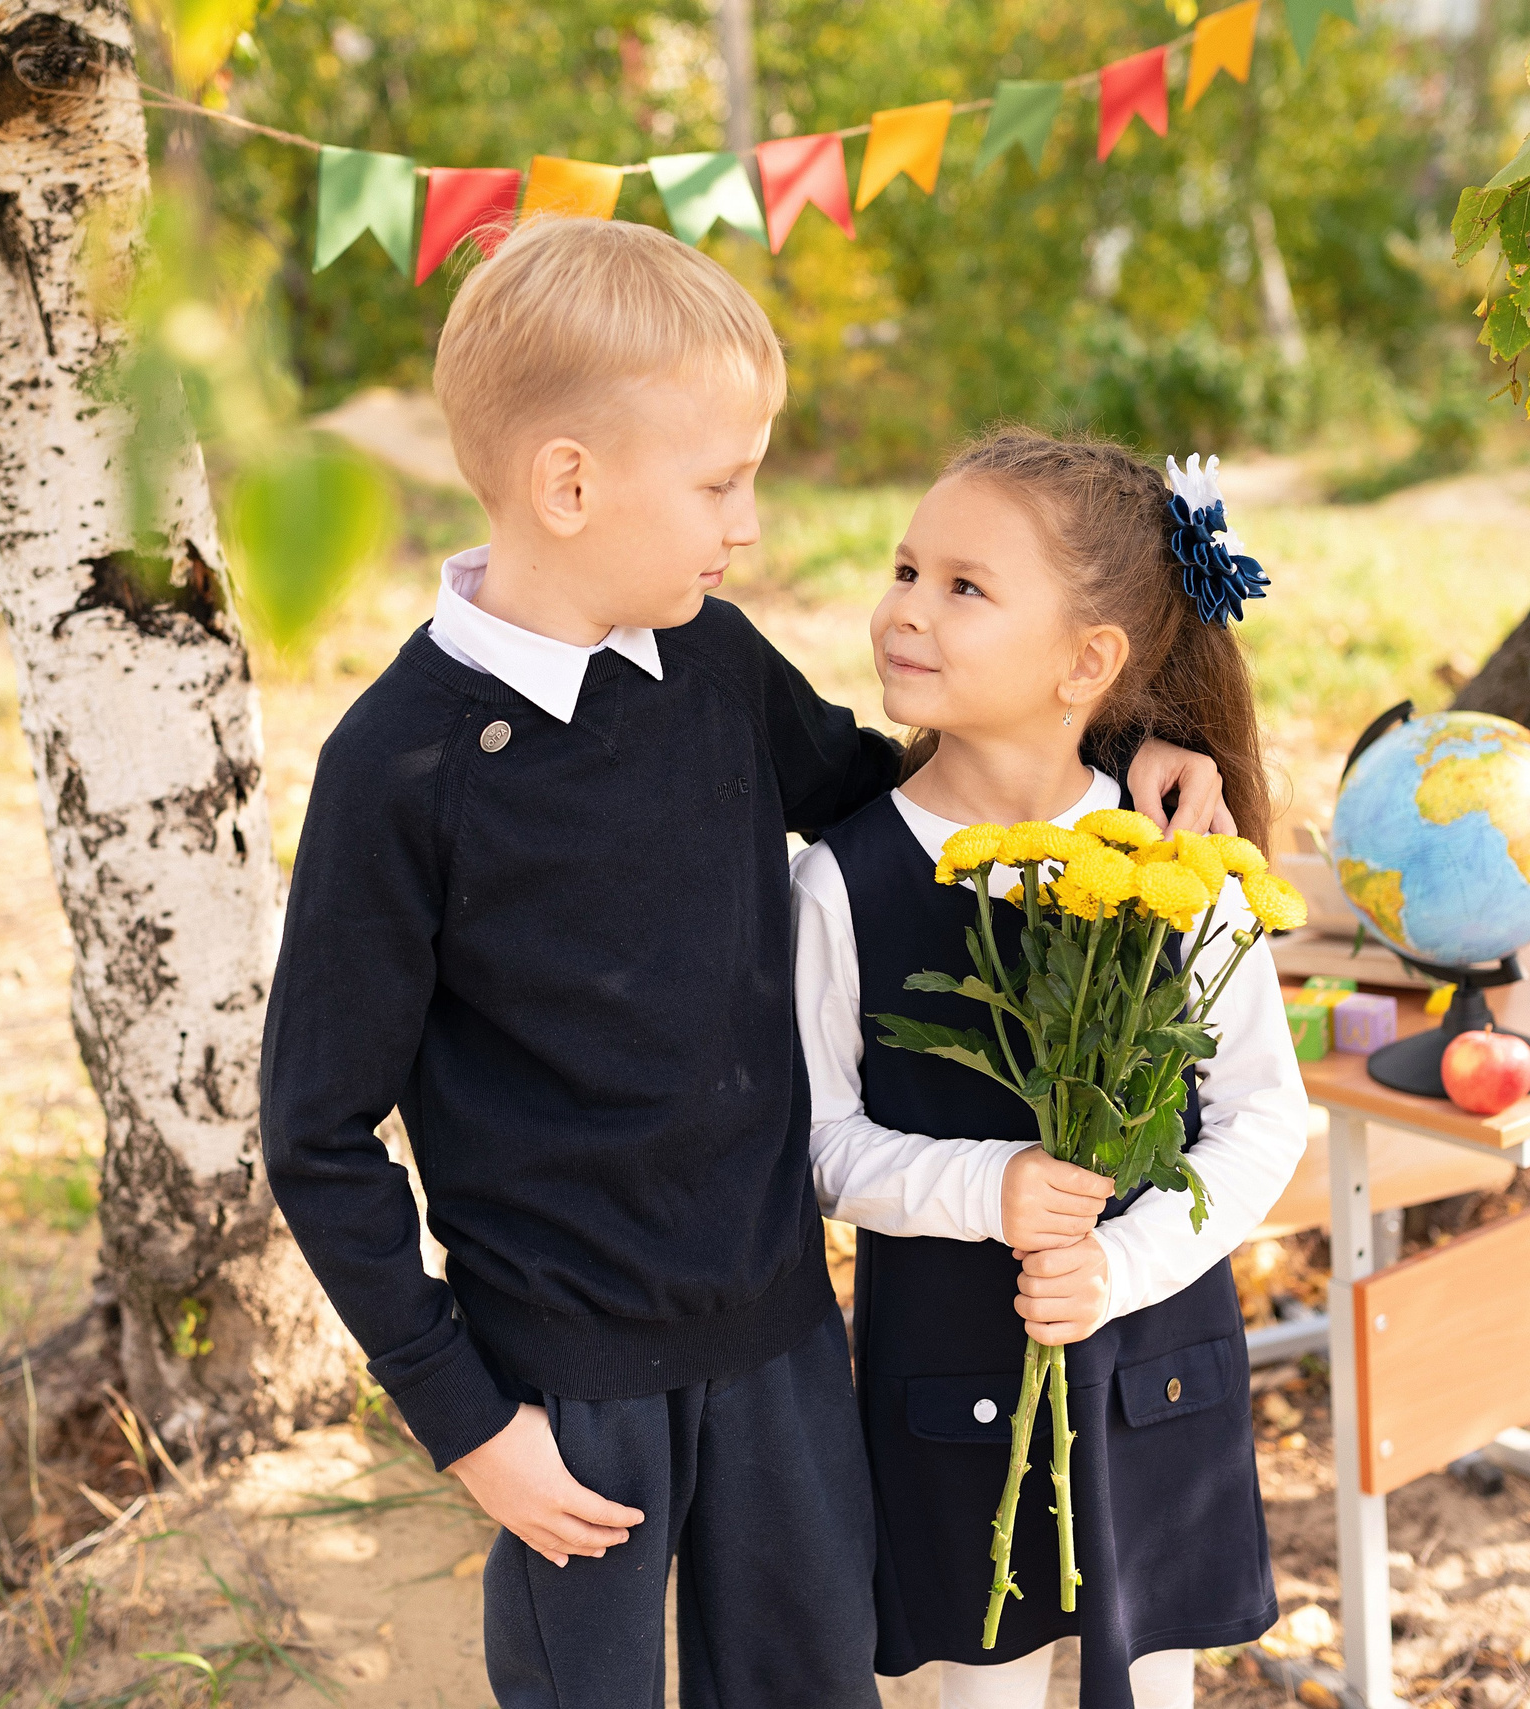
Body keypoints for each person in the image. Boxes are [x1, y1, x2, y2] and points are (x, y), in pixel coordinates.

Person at [260, 217, 1225, 1708]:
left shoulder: (708, 664)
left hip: (780, 1344)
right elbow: (317, 1134)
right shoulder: (400, 767)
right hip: (563, 1389)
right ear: (569, 483)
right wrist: (469, 1424)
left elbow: (889, 788)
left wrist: (1122, 748)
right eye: (721, 482)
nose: (750, 525)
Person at [796, 430, 1308, 1709]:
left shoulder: (1181, 856)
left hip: (1153, 1376)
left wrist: (1120, 1266)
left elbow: (1260, 1115)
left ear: (1088, 660)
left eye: (964, 586)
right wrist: (992, 1187)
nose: (906, 608)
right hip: (948, 1394)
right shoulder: (841, 878)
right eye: (905, 568)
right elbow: (818, 1142)